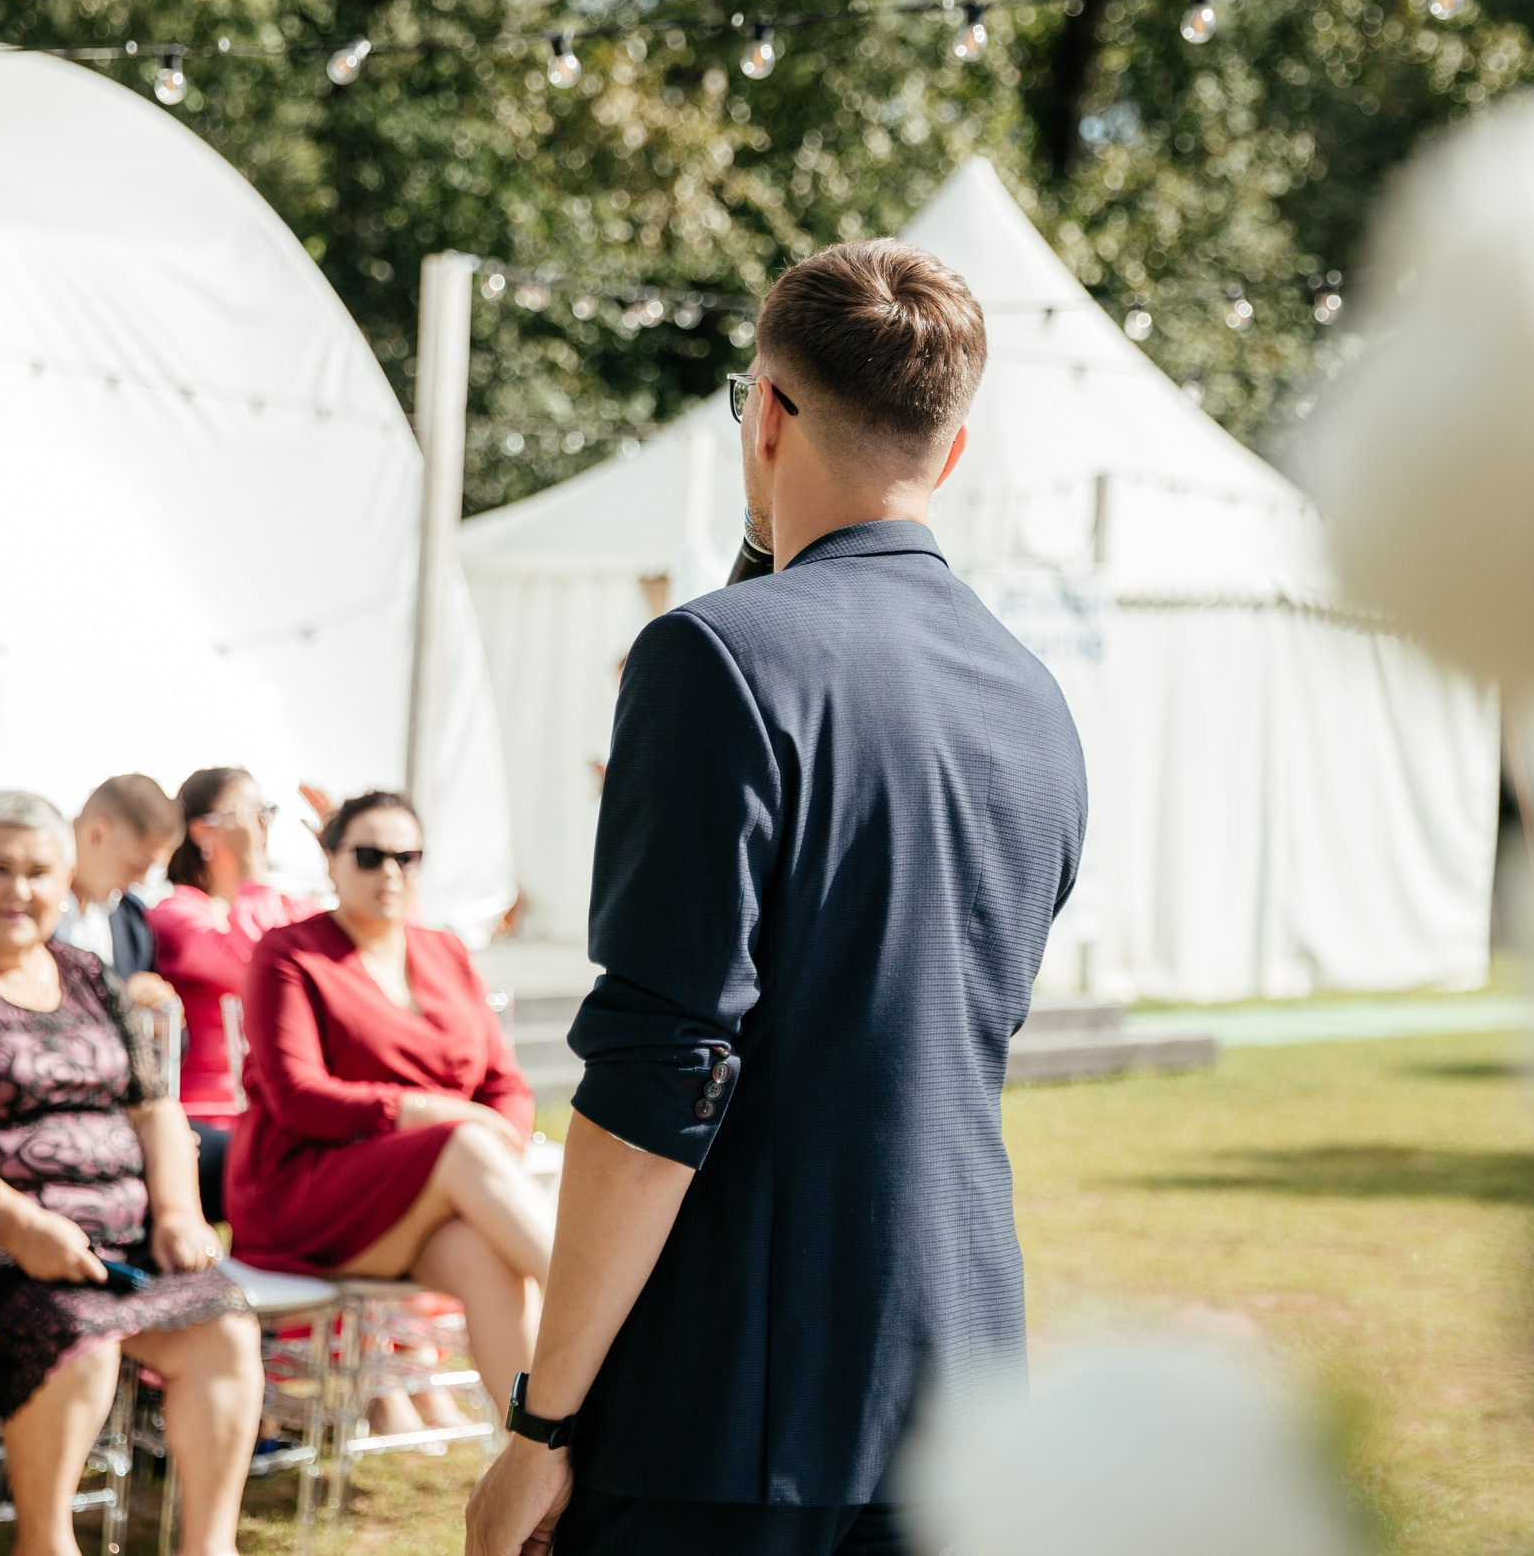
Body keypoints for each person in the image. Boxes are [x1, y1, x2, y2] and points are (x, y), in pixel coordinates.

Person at [466, 241, 1088, 1556]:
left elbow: (659, 1069)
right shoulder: (1037, 703)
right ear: (952, 452)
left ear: (764, 410)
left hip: (729, 1397)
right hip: (962, 1380)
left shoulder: (712, 655)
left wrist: (542, 1419)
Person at [0, 792, 261, 1556]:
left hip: (127, 1243)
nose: (19, 890)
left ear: (65, 876)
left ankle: (209, 1546)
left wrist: (176, 1212)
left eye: (37, 871)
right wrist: (27, 1225)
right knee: (82, 1339)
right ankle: (46, 1541)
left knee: (225, 1328)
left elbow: (153, 1107)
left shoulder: (89, 973)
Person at [228, 792, 547, 1422]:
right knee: (463, 1143)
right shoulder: (290, 953)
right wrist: (438, 1117)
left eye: (408, 856)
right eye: (370, 857)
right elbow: (298, 1098)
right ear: (331, 860)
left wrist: (494, 1142)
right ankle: (608, 1307)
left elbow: (506, 1086)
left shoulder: (445, 953)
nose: (390, 873)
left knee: (492, 1268)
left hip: (424, 1194)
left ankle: (550, 1456)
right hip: (302, 1191)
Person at [148, 767, 319, 1224]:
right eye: (248, 813)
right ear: (202, 829)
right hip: (207, 1119)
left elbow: (375, 944)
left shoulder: (285, 906)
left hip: (284, 1109)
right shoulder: (176, 914)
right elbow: (256, 968)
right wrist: (249, 873)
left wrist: (350, 855)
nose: (261, 826)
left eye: (266, 812)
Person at [55, 773, 180, 1002]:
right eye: (139, 864)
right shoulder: (24, 912)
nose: (141, 880)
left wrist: (155, 1011)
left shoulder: (132, 924)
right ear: (97, 835)